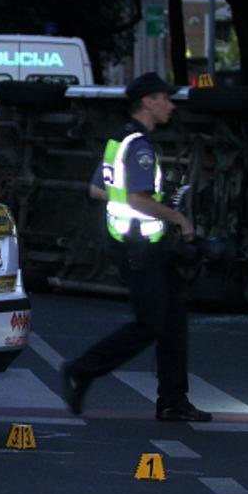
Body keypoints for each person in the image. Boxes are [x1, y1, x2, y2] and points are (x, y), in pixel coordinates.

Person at [59, 72, 211, 422]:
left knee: (173, 320)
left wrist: (131, 198)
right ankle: (81, 370)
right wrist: (178, 218)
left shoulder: (120, 140)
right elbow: (138, 200)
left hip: (138, 244)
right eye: (166, 98)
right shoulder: (139, 146)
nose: (171, 106)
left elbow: (97, 188)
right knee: (150, 323)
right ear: (148, 102)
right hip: (139, 247)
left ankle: (174, 401)